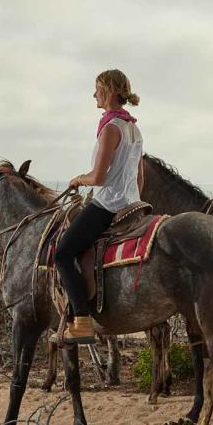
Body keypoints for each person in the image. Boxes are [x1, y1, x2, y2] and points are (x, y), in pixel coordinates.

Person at [52, 69, 144, 343]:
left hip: (108, 204)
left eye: (98, 89)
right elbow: (140, 177)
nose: (94, 94)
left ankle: (81, 320)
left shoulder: (110, 128)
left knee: (63, 253)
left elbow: (99, 177)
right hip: (133, 203)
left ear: (112, 91)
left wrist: (78, 180)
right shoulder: (134, 129)